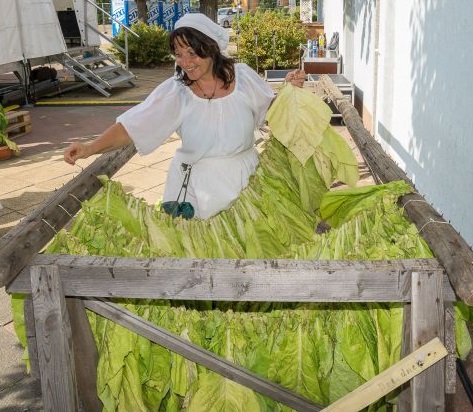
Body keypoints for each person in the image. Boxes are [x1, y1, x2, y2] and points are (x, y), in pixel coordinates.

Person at [64, 13, 305, 219]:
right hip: (196, 189)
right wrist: (90, 148)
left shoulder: (242, 77)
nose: (185, 62)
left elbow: (274, 111)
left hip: (245, 181)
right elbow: (133, 126)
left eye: (192, 53)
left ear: (210, 48)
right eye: (178, 54)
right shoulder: (176, 91)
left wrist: (290, 91)